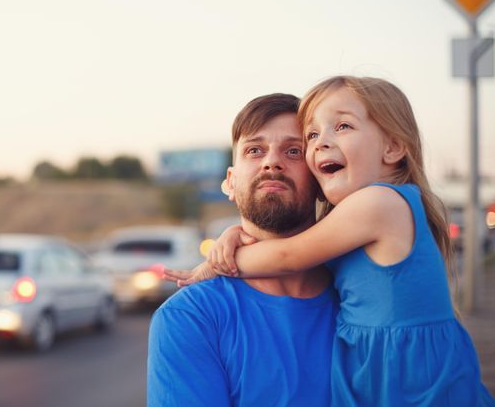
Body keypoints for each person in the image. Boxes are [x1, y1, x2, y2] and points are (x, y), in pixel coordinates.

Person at [167, 76, 495, 406]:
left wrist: (217, 263)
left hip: (416, 384)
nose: (322, 142)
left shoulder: (379, 203)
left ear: (393, 147)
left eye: (342, 127)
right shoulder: (189, 316)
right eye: (313, 135)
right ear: (230, 182)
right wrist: (233, 235)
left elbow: (289, 255)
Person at [147, 94, 339, 407]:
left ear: (319, 178)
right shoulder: (190, 317)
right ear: (230, 183)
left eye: (294, 151)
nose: (271, 161)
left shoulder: (358, 290)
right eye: (254, 150)